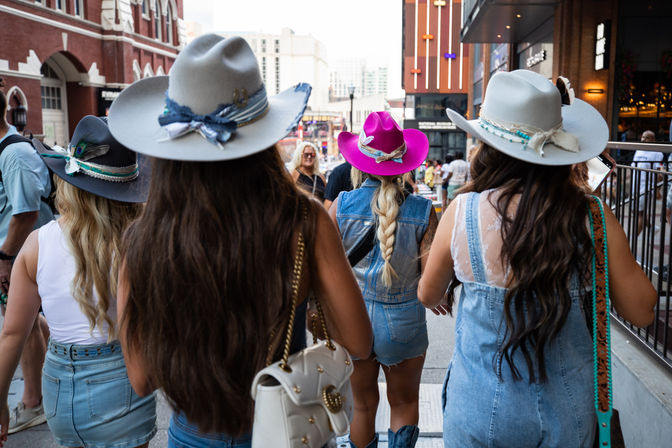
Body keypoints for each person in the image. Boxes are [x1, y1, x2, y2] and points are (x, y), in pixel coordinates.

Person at [107, 34, 373, 448]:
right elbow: (358, 342)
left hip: (192, 435)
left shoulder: (143, 240)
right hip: (288, 428)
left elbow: (140, 379)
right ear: (262, 137)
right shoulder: (305, 220)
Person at [418, 70, 656, 447]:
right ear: (563, 151)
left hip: (478, 409)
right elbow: (643, 310)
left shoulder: (461, 212)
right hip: (569, 414)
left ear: (488, 147)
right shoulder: (593, 217)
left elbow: (428, 295)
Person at [0, 115, 156, 447]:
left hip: (58, 388)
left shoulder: (35, 244)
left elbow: (13, 333)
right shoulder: (138, 244)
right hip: (122, 382)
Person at [329, 111, 438, 448]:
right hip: (404, 320)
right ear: (405, 164)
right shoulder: (422, 210)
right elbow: (431, 280)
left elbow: (328, 272)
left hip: (353, 320)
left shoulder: (341, 204)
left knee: (361, 406)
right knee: (403, 404)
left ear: (359, 164)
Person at [0, 85, 53, 435]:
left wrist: (4, 259)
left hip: (17, 254)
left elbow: (26, 213)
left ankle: (33, 402)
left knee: (21, 325)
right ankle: (47, 389)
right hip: (13, 252)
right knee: (33, 323)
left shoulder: (14, 153)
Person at [631, 130, 664, 235]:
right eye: (642, 137)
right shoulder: (639, 150)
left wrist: (657, 189)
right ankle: (652, 228)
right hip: (635, 185)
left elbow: (659, 172)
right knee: (635, 211)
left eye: (647, 138)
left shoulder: (657, 153)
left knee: (639, 213)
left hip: (646, 186)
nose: (643, 139)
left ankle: (631, 241)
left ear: (653, 140)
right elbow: (633, 166)